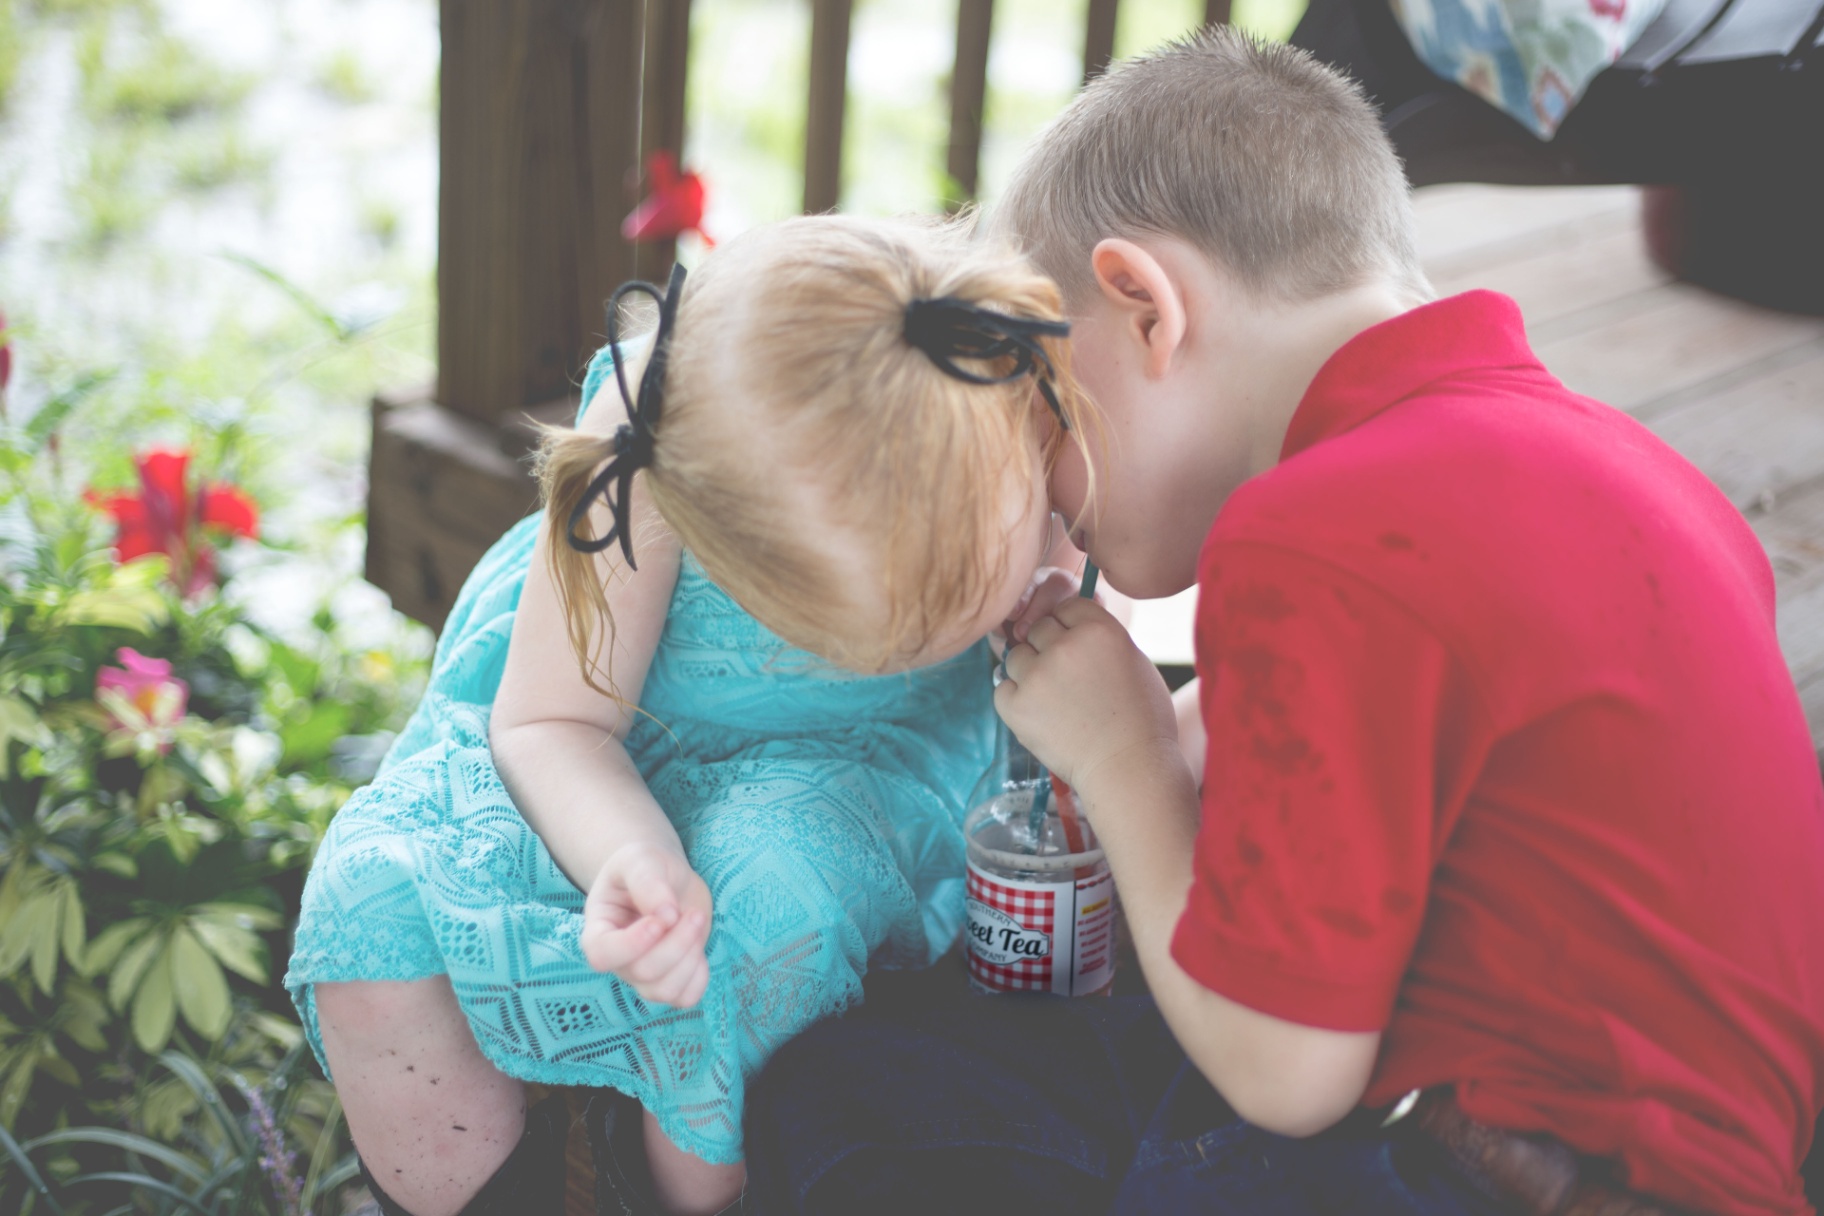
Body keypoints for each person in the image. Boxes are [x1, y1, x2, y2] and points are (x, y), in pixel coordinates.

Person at [745, 28, 1824, 1216]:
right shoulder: (1608, 460)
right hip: (1699, 1159)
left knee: (849, 1105)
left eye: (1046, 403)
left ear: (1144, 308)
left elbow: (1287, 1074)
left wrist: (1125, 755)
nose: (1043, 476)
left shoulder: (1314, 534)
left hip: (1497, 1173)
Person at [283, 215, 1095, 1216]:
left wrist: (1057, 605)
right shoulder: (654, 426)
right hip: (602, 733)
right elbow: (550, 722)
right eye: (866, 636)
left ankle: (673, 1193)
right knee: (370, 899)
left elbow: (1113, 578)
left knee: (769, 912)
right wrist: (629, 854)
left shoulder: (999, 388)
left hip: (856, 768)